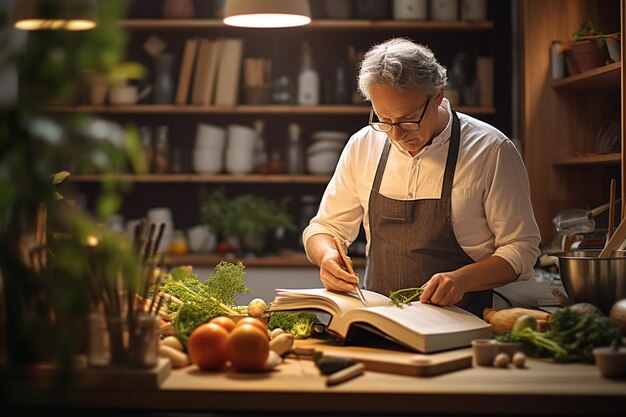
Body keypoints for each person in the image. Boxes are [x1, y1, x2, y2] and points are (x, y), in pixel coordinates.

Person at [302, 38, 541, 316]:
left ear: (438, 94)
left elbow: (521, 249)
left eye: (408, 120)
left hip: (466, 325)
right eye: (383, 119)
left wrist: (462, 279)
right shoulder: (363, 145)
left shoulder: (491, 150)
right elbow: (324, 228)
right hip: (380, 322)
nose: (396, 134)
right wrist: (327, 257)